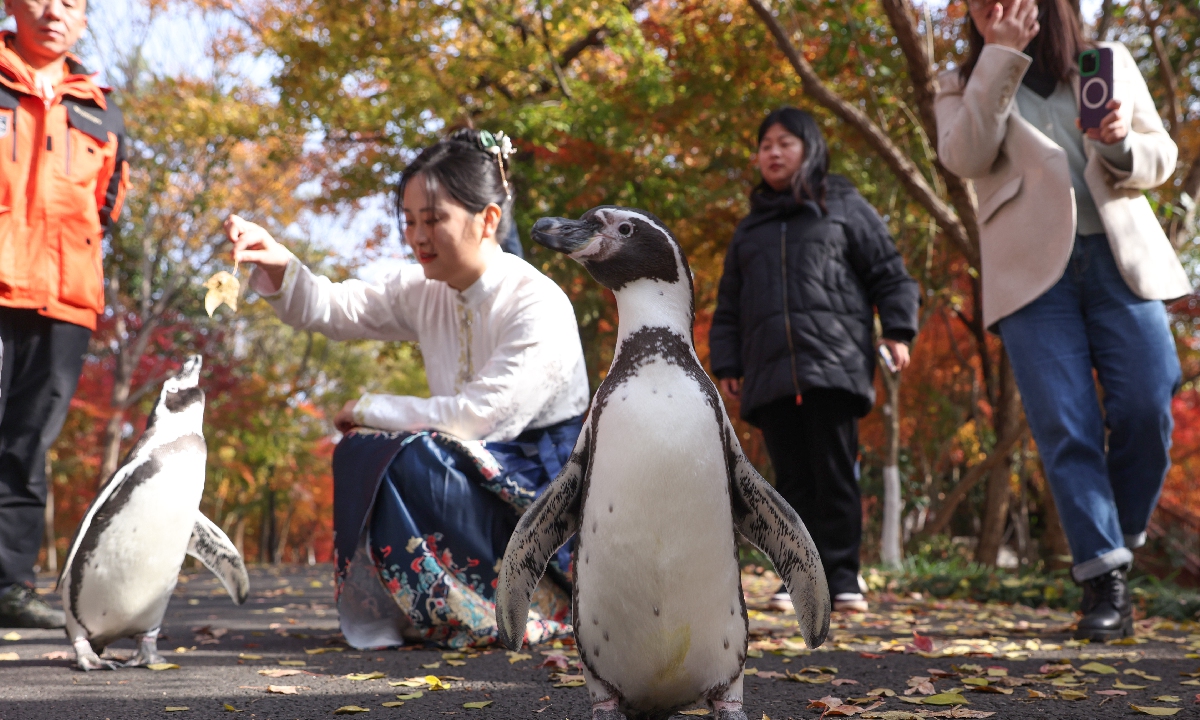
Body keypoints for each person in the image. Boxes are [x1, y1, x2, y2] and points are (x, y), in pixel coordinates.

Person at [225, 128, 590, 649]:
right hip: (467, 459)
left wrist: (370, 406)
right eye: (411, 221)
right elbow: (336, 307)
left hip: (543, 478)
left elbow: (480, 419)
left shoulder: (537, 303)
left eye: (435, 219)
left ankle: (534, 599)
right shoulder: (424, 290)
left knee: (409, 456)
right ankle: (437, 607)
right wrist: (279, 261)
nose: (418, 237)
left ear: (488, 219)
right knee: (364, 451)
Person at [936, 0, 1188, 639]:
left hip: (1119, 260)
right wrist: (999, 56)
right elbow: (964, 157)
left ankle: (1117, 539)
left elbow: (1164, 156)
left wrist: (1121, 144)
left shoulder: (1108, 63)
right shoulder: (960, 82)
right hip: (1030, 277)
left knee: (1148, 402)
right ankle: (1104, 582)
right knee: (1066, 427)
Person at [710, 107, 920, 614]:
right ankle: (796, 579)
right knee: (791, 481)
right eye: (765, 145)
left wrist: (896, 330)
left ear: (810, 149)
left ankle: (844, 577)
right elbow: (730, 304)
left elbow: (889, 272)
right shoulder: (749, 230)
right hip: (771, 371)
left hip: (835, 363)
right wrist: (728, 363)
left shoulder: (845, 207)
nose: (774, 153)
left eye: (785, 142)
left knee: (835, 473)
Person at [0, 0, 129, 628]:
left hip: (66, 300)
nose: (55, 11)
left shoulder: (102, 107)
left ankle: (10, 589)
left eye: (73, 2)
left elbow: (106, 206)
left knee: (29, 446)